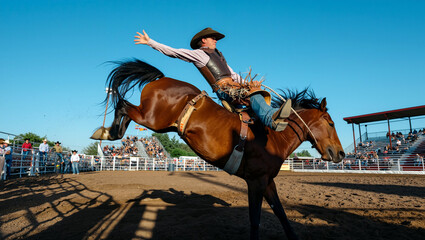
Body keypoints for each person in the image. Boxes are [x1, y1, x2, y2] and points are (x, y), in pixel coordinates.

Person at [134, 27, 292, 131]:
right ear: (203, 40)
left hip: (235, 86)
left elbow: (234, 75)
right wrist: (150, 42)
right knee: (254, 95)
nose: (216, 40)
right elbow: (174, 52)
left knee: (256, 91)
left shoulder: (219, 56)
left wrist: (249, 83)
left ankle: (264, 117)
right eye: (213, 38)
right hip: (224, 89)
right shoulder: (199, 54)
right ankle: (270, 118)